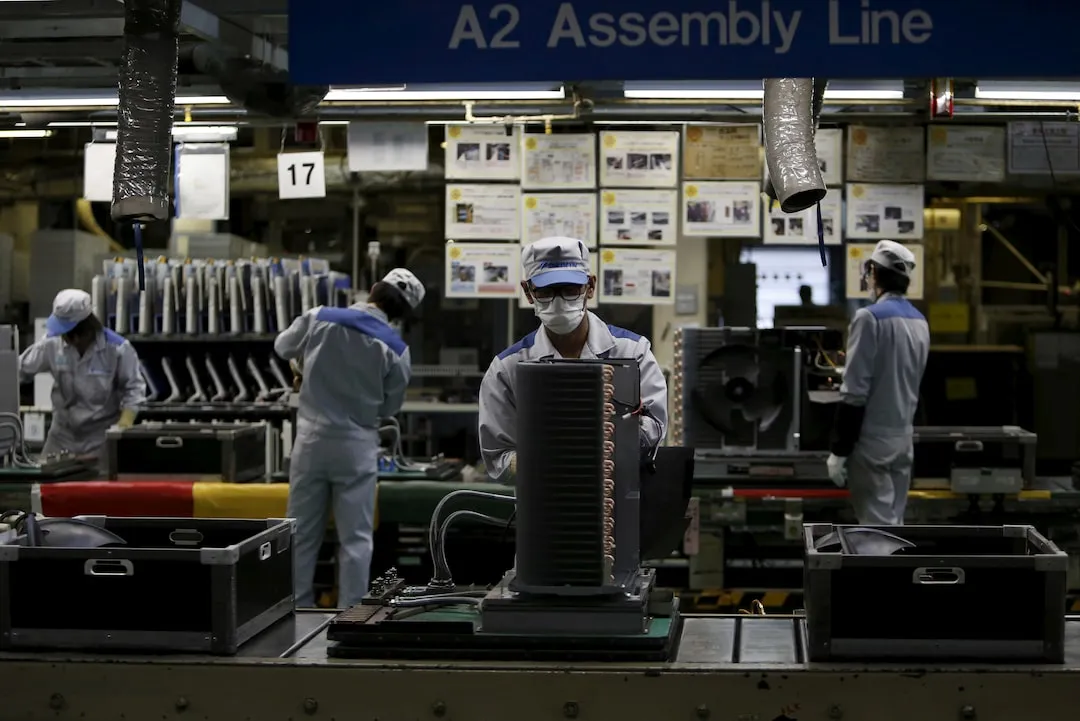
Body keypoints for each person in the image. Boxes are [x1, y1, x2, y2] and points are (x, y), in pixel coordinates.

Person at [274, 268, 425, 608]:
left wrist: (305, 368)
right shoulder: (397, 349)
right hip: (356, 446)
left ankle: (296, 610)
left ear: (374, 289)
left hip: (311, 441)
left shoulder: (320, 316)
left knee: (300, 532)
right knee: (355, 540)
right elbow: (389, 406)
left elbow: (282, 347)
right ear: (402, 313)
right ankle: (350, 614)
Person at [479, 237, 668, 481]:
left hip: (618, 499)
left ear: (590, 286)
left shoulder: (633, 353)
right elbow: (498, 457)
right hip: (546, 501)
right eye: (546, 292)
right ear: (528, 292)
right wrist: (550, 458)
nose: (558, 302)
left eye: (570, 290)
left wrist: (611, 441)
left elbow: (656, 430)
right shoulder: (507, 369)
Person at [826, 240, 929, 525]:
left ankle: (880, 571)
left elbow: (854, 392)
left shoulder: (868, 318)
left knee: (876, 532)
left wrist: (839, 449)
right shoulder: (919, 321)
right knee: (894, 525)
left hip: (872, 444)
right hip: (902, 440)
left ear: (873, 273)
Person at [18, 289, 145, 466]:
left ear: (80, 333)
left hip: (100, 438)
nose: (64, 338)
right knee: (46, 489)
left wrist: (125, 423)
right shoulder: (52, 343)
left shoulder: (118, 349)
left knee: (96, 490)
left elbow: (134, 390)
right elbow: (18, 370)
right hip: (61, 436)